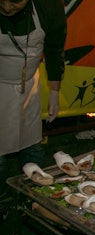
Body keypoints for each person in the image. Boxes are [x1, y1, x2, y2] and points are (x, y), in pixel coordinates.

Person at [0, 0, 66, 206]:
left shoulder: (49, 6)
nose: (8, 7)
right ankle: (1, 200)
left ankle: (33, 197)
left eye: (15, 2)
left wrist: (54, 93)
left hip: (30, 86)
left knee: (32, 143)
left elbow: (55, 51)